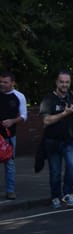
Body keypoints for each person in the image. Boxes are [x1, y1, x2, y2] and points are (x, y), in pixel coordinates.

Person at [39, 71, 73, 207]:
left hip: (70, 140)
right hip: (53, 140)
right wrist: (64, 113)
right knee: (55, 171)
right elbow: (46, 121)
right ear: (57, 83)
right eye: (62, 82)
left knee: (72, 166)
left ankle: (68, 194)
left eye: (67, 82)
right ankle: (55, 197)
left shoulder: (72, 96)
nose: (64, 85)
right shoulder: (48, 99)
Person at [0, 71, 27, 200]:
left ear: (12, 83)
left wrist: (12, 121)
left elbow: (23, 116)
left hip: (9, 136)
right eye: (1, 81)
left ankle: (10, 191)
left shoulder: (19, 96)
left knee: (9, 163)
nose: (2, 84)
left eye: (5, 82)